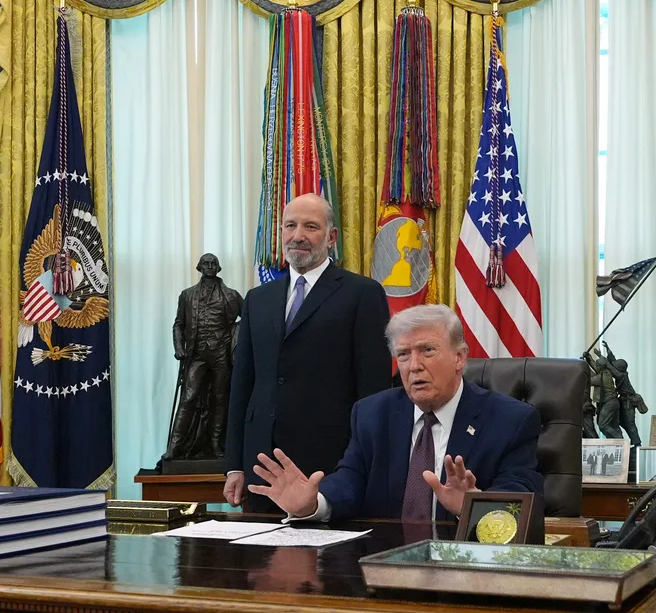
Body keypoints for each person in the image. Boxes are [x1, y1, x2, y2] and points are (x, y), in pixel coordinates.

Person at [244, 304, 542, 522]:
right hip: (381, 566)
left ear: (460, 358)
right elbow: (351, 480)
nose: (413, 366)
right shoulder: (372, 414)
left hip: (467, 571)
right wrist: (313, 504)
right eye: (403, 354)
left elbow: (521, 501)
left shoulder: (510, 421)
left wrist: (476, 507)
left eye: (427, 351)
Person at [224, 194, 392, 512]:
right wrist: (234, 464)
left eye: (310, 226)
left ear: (330, 237)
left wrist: (367, 465)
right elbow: (242, 386)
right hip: (262, 467)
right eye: (290, 225)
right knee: (257, 561)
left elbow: (374, 392)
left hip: (330, 467)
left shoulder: (363, 294)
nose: (298, 235)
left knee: (325, 562)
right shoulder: (257, 298)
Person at [166, 253, 243, 460]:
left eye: (213, 264)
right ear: (199, 267)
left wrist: (236, 340)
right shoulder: (187, 295)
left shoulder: (232, 295)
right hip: (197, 353)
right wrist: (179, 347)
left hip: (221, 353)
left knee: (220, 399)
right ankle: (174, 447)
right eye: (206, 263)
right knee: (188, 398)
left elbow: (249, 319)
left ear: (219, 268)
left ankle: (216, 444)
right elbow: (178, 324)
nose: (209, 267)